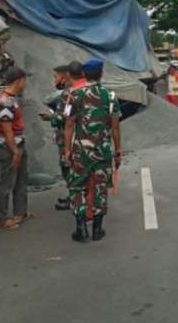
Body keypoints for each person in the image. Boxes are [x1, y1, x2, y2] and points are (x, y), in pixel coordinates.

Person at [64, 59, 121, 243]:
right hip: (102, 152)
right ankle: (97, 229)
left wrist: (67, 149)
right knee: (100, 188)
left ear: (84, 75)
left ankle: (81, 229)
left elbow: (69, 124)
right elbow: (115, 127)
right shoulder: (110, 96)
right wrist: (118, 150)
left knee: (77, 187)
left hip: (80, 152)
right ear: (101, 74)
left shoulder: (73, 95)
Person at [0, 66, 33, 230]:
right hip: (10, 146)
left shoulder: (11, 98)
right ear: (19, 81)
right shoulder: (6, 102)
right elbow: (7, 130)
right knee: (6, 183)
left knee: (21, 180)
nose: (25, 83)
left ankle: (20, 212)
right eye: (24, 79)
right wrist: (15, 151)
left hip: (18, 143)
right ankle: (2, 218)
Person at [41, 65, 74, 211]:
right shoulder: (67, 93)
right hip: (66, 138)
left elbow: (65, 118)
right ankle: (74, 196)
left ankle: (75, 198)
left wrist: (51, 117)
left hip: (67, 140)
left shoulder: (68, 94)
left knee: (68, 168)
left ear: (65, 76)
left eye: (56, 76)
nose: (54, 80)